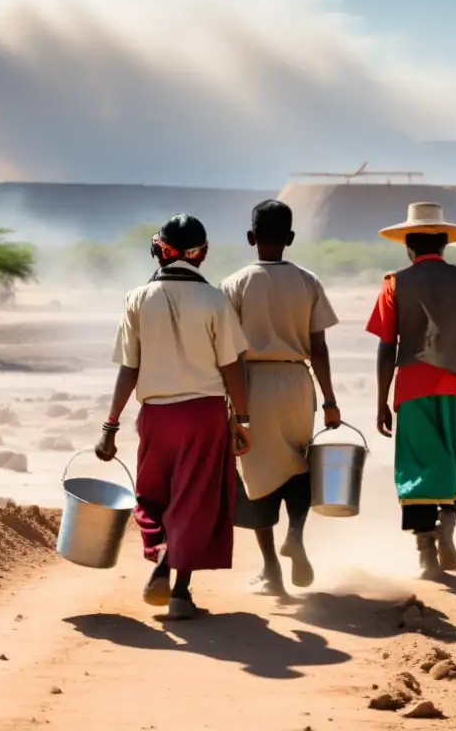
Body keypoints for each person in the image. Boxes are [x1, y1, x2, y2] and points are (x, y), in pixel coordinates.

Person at [95, 214, 252, 620]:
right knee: (196, 501)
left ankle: (161, 552)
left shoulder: (136, 298)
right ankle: (179, 591)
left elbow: (128, 368)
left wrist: (110, 426)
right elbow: (232, 367)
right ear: (202, 255)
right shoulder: (216, 299)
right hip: (205, 415)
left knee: (151, 497)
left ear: (158, 250)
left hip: (156, 417)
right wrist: (244, 420)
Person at [364, 202, 456, 580]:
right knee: (455, 462)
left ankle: (425, 551)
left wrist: (382, 401)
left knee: (416, 468)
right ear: (445, 244)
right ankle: (447, 523)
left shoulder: (394, 282)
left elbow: (386, 346)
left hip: (412, 389)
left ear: (407, 247)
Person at [220, 199, 341, 598]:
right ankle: (296, 532)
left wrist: (234, 407)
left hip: (251, 384)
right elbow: (319, 347)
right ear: (290, 238)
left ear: (251, 237)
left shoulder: (235, 284)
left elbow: (229, 353)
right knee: (297, 461)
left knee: (255, 476)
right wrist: (329, 400)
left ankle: (271, 569)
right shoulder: (308, 281)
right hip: (296, 381)